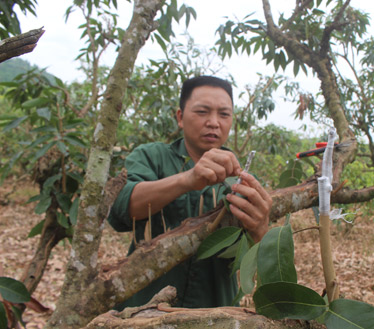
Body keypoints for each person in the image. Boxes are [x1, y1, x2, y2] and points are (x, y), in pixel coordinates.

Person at [107, 75, 272, 309]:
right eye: (203, 111)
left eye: (224, 114)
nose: (214, 122)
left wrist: (261, 228)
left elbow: (258, 258)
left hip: (213, 315)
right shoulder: (150, 157)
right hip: (142, 311)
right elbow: (124, 206)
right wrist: (187, 179)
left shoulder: (245, 180)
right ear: (180, 117)